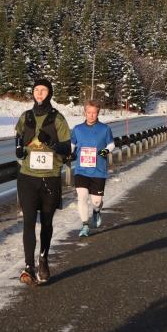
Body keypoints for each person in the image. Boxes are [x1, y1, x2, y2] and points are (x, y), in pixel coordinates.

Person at [14, 78, 71, 285]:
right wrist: (18, 148)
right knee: (28, 221)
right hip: (27, 177)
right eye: (36, 90)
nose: (39, 93)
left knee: (46, 223)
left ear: (49, 93)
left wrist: (52, 143)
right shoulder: (26, 117)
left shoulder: (58, 119)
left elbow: (67, 149)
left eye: (43, 90)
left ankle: (43, 258)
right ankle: (28, 267)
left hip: (50, 178)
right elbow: (18, 136)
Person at [70, 100, 115, 237]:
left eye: (94, 113)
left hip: (98, 170)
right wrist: (70, 153)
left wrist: (104, 152)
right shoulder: (77, 129)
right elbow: (72, 144)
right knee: (82, 196)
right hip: (81, 170)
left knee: (97, 201)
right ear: (85, 113)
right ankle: (84, 225)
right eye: (89, 112)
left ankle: (96, 211)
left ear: (98, 113)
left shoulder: (105, 129)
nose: (91, 115)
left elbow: (111, 144)